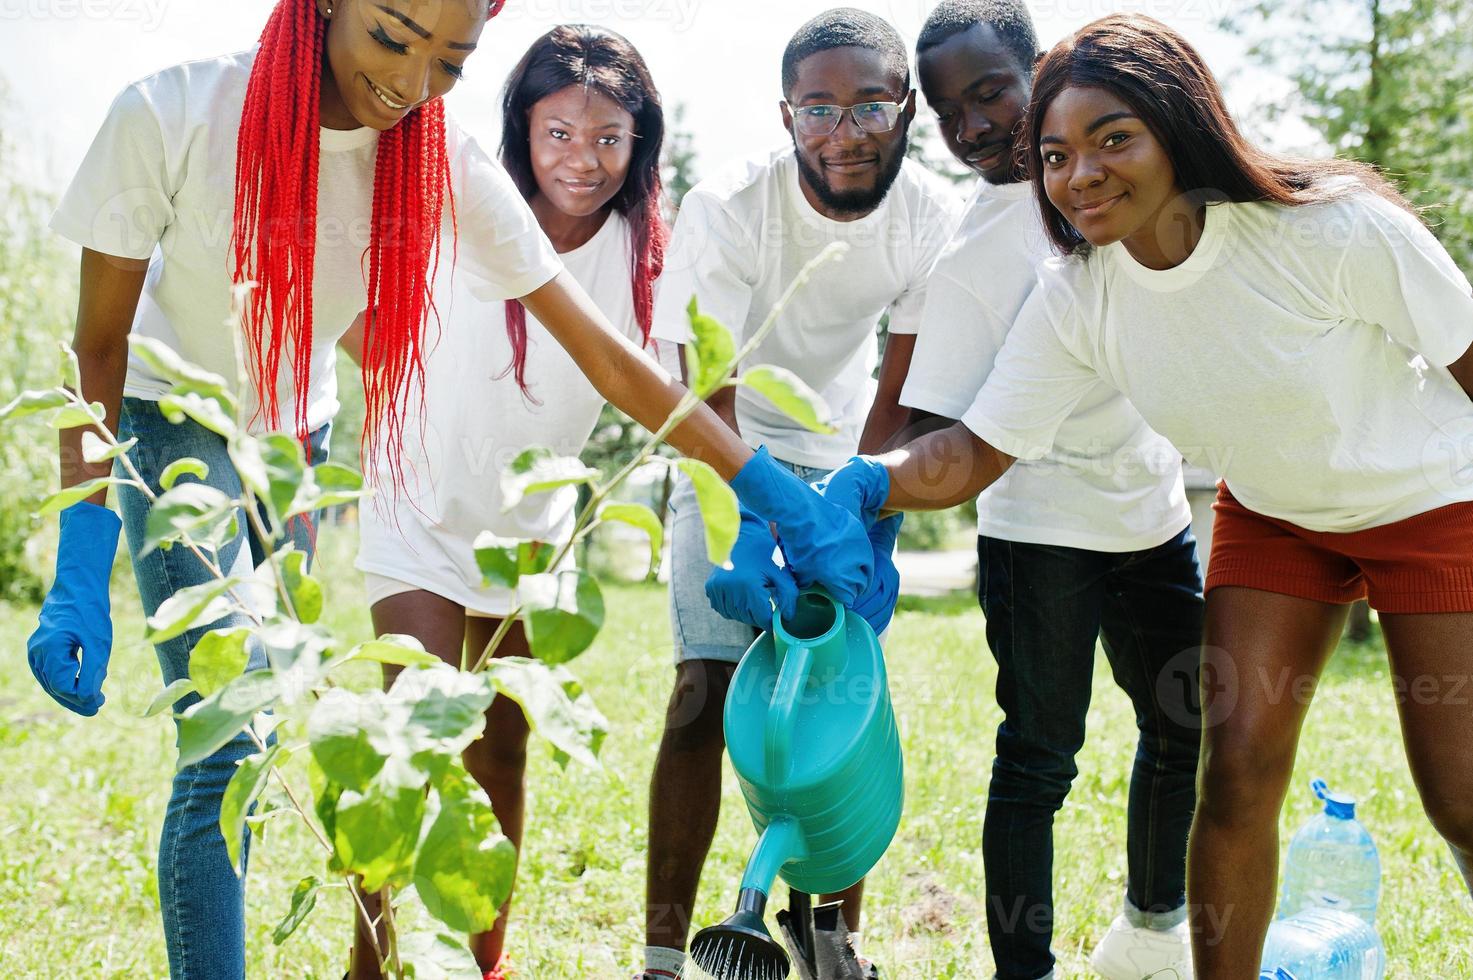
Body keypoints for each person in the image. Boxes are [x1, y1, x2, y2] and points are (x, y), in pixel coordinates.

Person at [26, 2, 874, 976]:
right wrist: (80, 562)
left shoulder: (442, 159)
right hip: (171, 414)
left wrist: (772, 491)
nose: (410, 81)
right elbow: (97, 345)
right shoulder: (171, 111)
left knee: (303, 723)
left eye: (449, 62)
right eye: (392, 36)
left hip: (296, 427)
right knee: (232, 731)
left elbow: (604, 357)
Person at [820, 13, 1473, 979]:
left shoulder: (1329, 228)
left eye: (1110, 138)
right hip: (1274, 515)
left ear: (1179, 124)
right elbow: (980, 447)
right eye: (1053, 154)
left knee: (1458, 799)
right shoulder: (1080, 291)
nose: (1078, 174)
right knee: (1235, 770)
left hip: (1427, 504)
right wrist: (861, 485)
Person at [340, 24, 670, 979]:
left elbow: (665, 379)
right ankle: (371, 966)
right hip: (416, 504)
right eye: (559, 132)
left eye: (609, 137)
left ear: (637, 144)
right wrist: (408, 385)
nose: (584, 158)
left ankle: (485, 961)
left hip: (528, 533)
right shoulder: (462, 196)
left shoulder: (645, 245)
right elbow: (354, 297)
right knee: (404, 753)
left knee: (499, 757)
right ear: (523, 131)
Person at [638, 8, 962, 979]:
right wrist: (748, 530)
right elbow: (707, 392)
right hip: (726, 438)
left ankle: (829, 940)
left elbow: (901, 388)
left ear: (906, 109)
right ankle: (664, 950)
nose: (845, 130)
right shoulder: (731, 207)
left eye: (870, 105)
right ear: (786, 117)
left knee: (839, 688)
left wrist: (863, 516)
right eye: (818, 108)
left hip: (846, 451)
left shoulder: (930, 219)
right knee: (707, 683)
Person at [901, 3, 1201, 977]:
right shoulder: (972, 260)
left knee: (1183, 720)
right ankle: (1023, 969)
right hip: (1037, 537)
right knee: (1038, 757)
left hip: (1152, 513)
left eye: (990, 90)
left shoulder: (1121, 180)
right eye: (950, 111)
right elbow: (932, 431)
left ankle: (1153, 930)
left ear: (1041, 67)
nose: (976, 123)